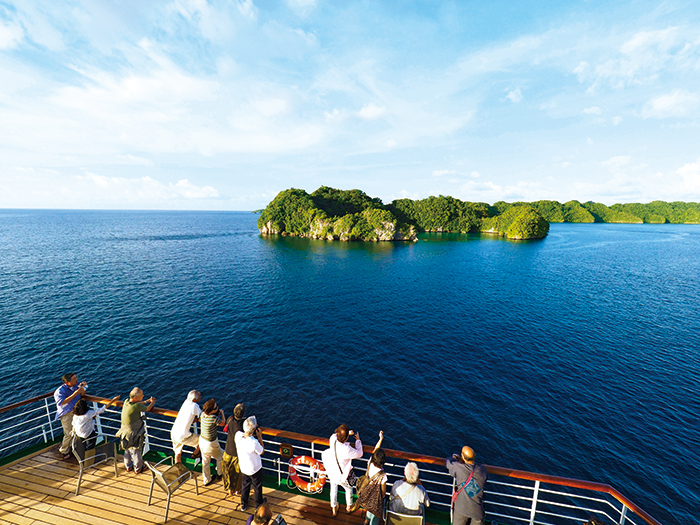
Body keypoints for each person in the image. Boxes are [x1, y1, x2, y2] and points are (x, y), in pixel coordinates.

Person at [321, 423, 363, 517]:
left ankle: (334, 509)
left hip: (332, 472)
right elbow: (360, 453)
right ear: (346, 438)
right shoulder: (347, 449)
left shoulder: (333, 439)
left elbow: (336, 435)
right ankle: (348, 507)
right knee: (348, 489)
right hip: (342, 476)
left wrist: (347, 433)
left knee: (333, 490)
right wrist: (358, 440)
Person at [115, 387, 156, 474]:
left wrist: (146, 401)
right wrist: (152, 402)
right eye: (142, 395)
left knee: (127, 449)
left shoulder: (126, 401)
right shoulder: (137, 406)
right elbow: (147, 409)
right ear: (136, 398)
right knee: (135, 449)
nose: (143, 395)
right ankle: (138, 468)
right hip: (133, 432)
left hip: (124, 431)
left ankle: (128, 466)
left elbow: (138, 404)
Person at [446, 446, 488, 525]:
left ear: (463, 457)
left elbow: (448, 462)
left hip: (462, 508)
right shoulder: (482, 470)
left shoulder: (459, 468)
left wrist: (456, 458)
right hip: (477, 509)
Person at [355, 432, 386, 525]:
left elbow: (375, 450)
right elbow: (383, 492)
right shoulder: (383, 475)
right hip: (376, 500)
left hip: (367, 493)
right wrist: (381, 439)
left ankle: (366, 521)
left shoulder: (370, 463)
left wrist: (380, 439)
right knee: (375, 516)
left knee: (368, 507)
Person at [54, 372, 87, 460]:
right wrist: (76, 393)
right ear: (67, 382)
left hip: (76, 411)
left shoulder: (77, 385)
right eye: (74, 379)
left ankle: (74, 449)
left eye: (76, 378)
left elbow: (83, 395)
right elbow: (62, 402)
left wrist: (83, 388)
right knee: (68, 433)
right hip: (66, 413)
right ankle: (64, 450)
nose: (77, 380)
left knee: (77, 431)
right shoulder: (60, 391)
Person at [235, 415, 265, 512]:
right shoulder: (253, 442)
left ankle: (243, 505)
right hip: (255, 468)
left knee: (245, 485)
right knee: (257, 486)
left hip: (244, 467)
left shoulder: (238, 436)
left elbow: (241, 433)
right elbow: (261, 451)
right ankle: (258, 505)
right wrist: (260, 437)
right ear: (253, 430)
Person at [171, 390, 202, 464]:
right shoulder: (195, 406)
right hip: (183, 435)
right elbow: (202, 417)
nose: (201, 397)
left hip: (174, 433)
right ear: (194, 400)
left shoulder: (185, 402)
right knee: (202, 440)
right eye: (199, 396)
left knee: (177, 453)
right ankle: (196, 453)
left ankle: (178, 471)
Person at [199, 398, 225, 486]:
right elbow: (223, 423)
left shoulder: (202, 415)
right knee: (221, 456)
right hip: (211, 443)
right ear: (210, 411)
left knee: (205, 461)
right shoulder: (213, 418)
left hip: (202, 441)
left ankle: (206, 480)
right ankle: (220, 473)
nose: (217, 408)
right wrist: (222, 414)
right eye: (215, 407)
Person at [223, 403, 246, 496]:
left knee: (227, 470)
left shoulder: (230, 419)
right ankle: (237, 489)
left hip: (228, 449)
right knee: (238, 473)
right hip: (237, 452)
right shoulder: (244, 424)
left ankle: (229, 488)